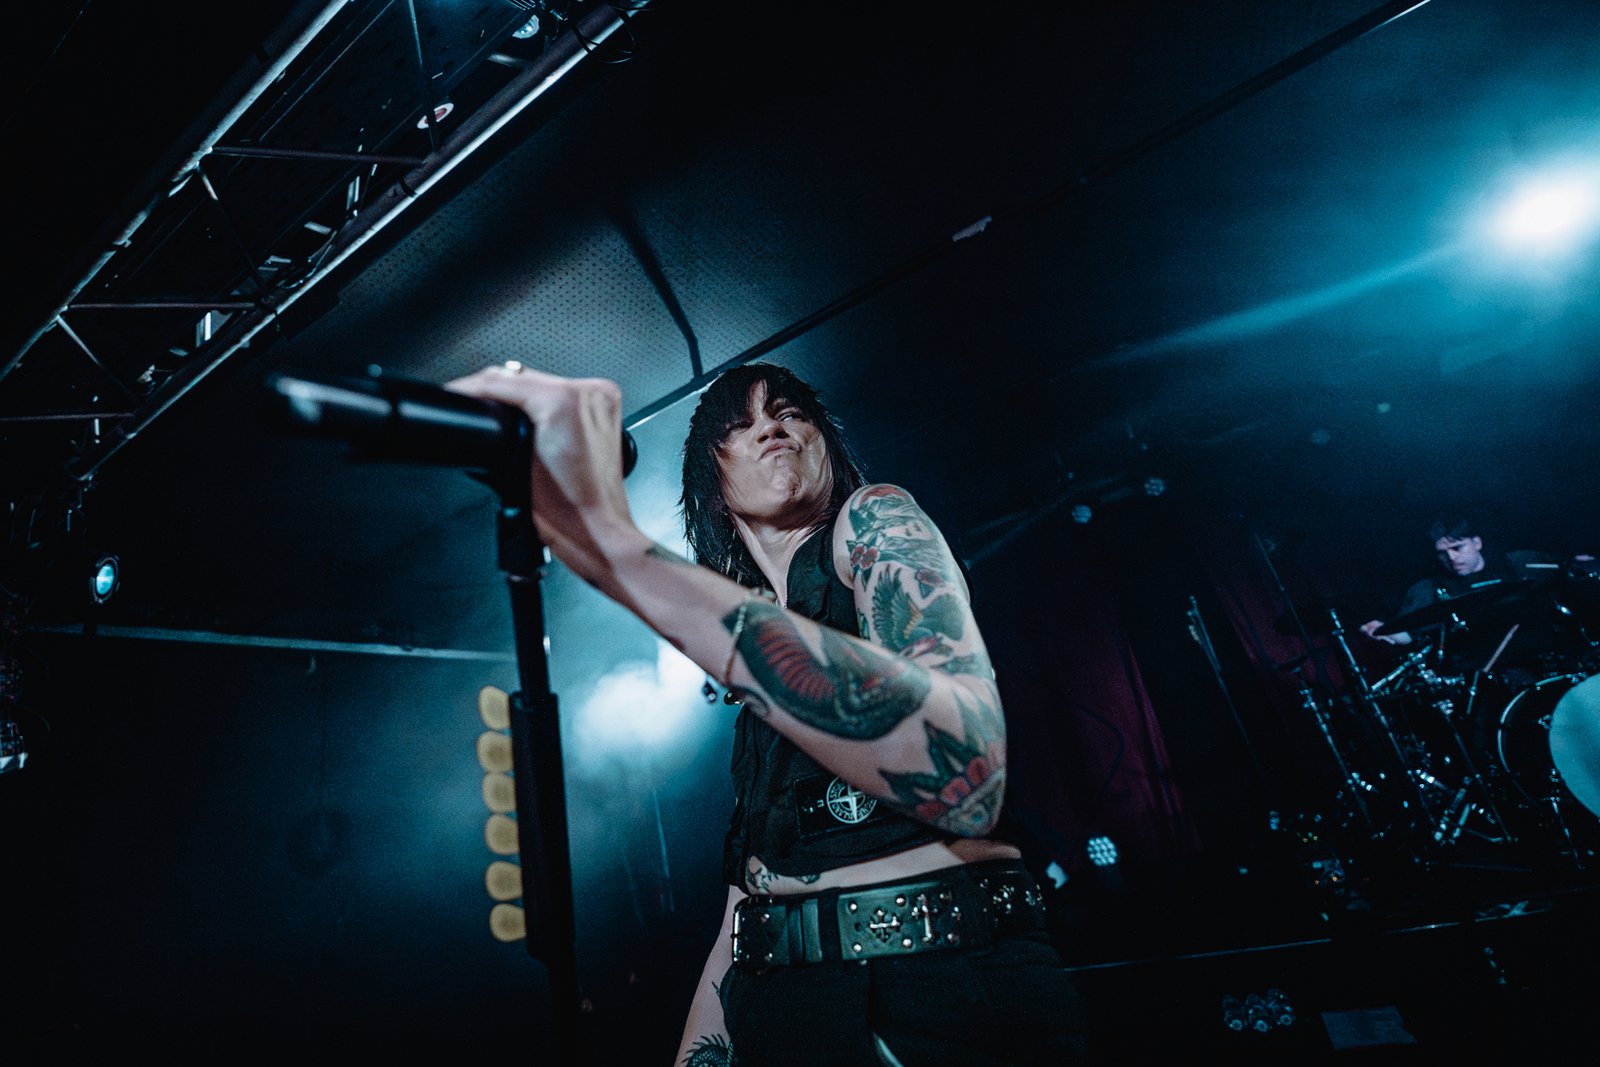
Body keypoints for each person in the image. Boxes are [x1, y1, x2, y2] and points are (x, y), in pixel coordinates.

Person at [447, 361, 1089, 1066]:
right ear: (714, 486)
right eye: (740, 424)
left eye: (789, 413)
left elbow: (966, 764)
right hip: (782, 1010)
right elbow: (743, 911)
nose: (771, 429)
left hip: (936, 993)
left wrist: (621, 552)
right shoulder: (752, 688)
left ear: (825, 444)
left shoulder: (874, 519)